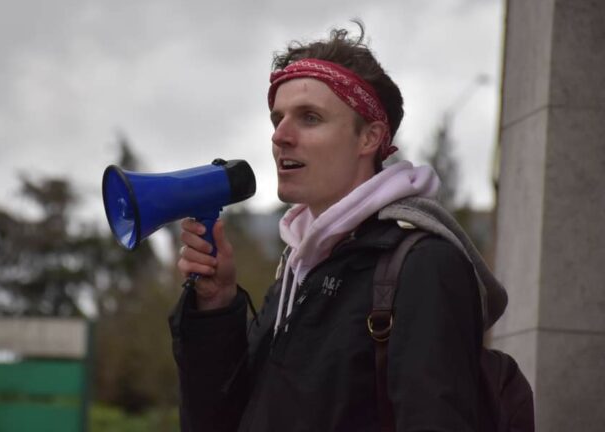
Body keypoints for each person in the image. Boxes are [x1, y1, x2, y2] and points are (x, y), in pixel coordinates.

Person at [170, 24, 507, 432]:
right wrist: (217, 305)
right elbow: (221, 421)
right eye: (277, 119)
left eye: (309, 118)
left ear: (370, 138)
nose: (280, 136)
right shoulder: (297, 267)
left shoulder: (422, 266)